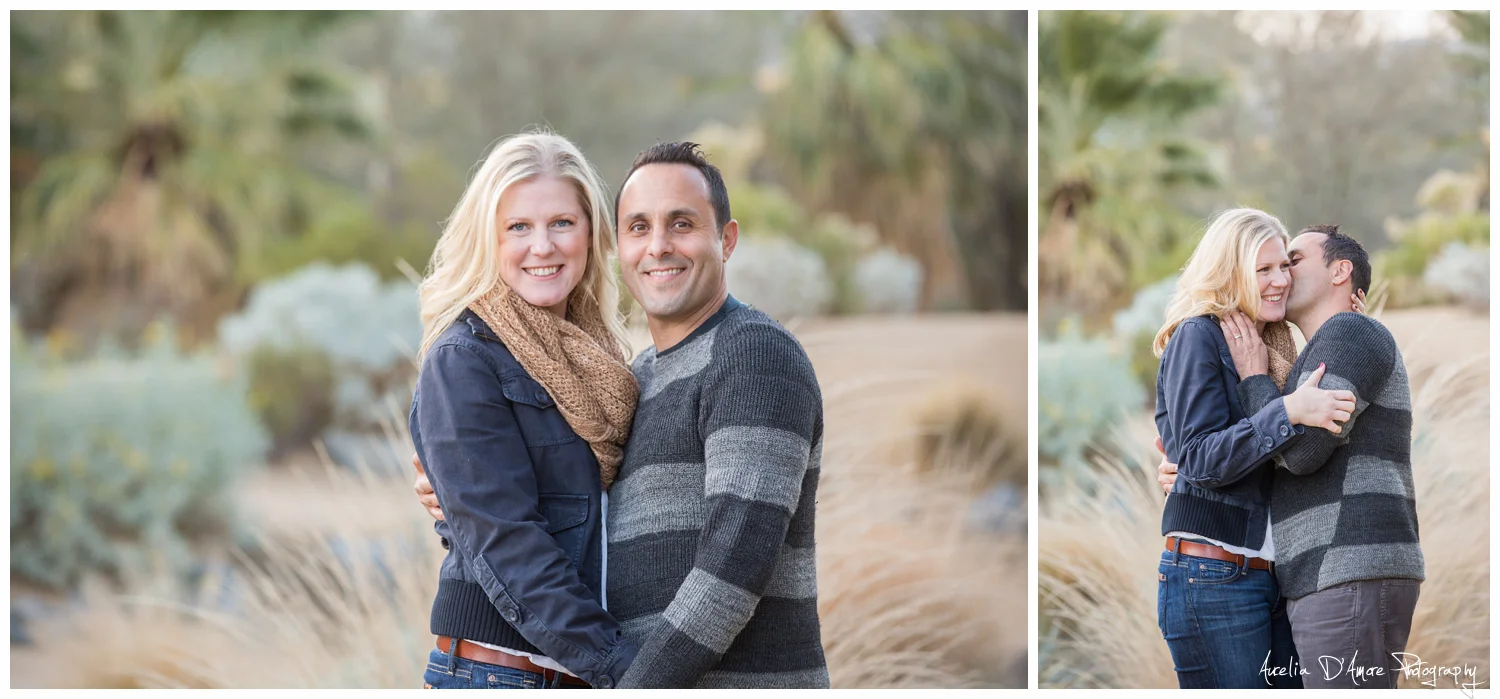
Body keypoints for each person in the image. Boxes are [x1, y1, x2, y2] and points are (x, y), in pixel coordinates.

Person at [414, 142, 829, 688]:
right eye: (639, 227)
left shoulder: (733, 357)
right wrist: (461, 493)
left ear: (726, 240)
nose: (658, 247)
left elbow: (736, 558)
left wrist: (635, 684)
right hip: (517, 673)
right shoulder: (633, 374)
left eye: (681, 224)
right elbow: (513, 536)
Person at [410, 131, 639, 689]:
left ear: (591, 233)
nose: (543, 246)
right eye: (518, 227)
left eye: (561, 222)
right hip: (503, 674)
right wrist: (630, 671)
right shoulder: (464, 359)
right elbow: (509, 544)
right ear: (489, 239)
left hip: (577, 669)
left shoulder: (600, 358)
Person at [1160, 225, 1423, 689]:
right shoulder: (1224, 340)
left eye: (1290, 262)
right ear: (1234, 268)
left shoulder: (1344, 334)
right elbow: (1207, 450)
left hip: (1341, 570)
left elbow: (1300, 452)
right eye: (1268, 267)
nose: (1282, 276)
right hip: (1249, 576)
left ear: (1340, 272)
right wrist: (1186, 467)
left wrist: (1261, 386)